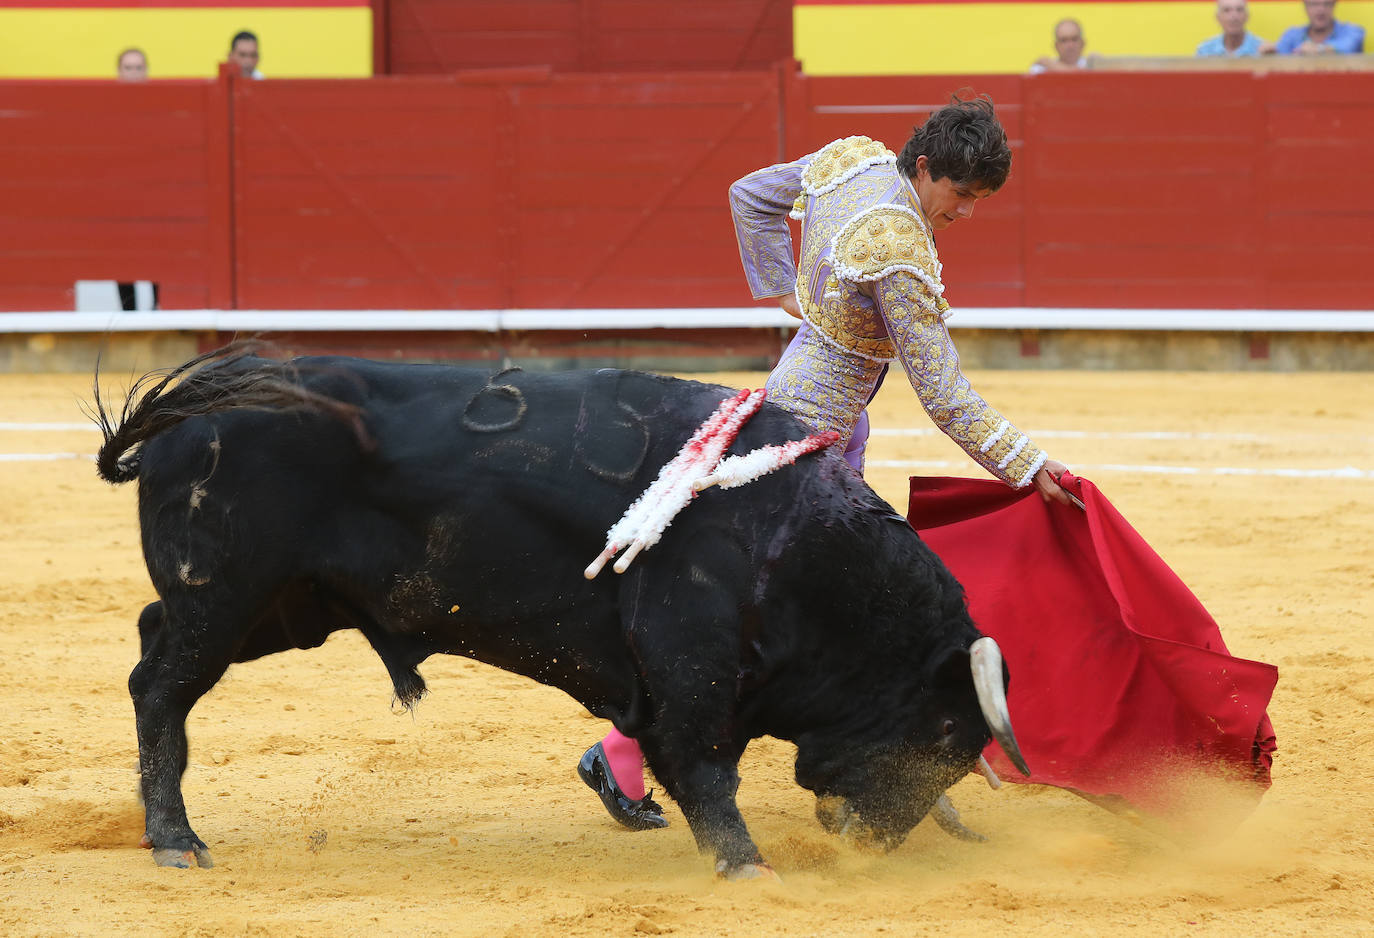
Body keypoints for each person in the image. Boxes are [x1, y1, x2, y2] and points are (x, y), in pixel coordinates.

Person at [577, 95, 1074, 831]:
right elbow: (943, 393)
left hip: (829, 428)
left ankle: (887, 762)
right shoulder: (897, 247)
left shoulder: (857, 161)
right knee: (765, 624)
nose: (965, 212)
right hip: (803, 451)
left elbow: (750, 196)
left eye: (980, 201)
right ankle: (620, 752)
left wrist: (789, 291)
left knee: (848, 610)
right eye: (960, 194)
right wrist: (1029, 465)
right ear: (928, 165)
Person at [1273, 0, 1365, 53]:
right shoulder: (1292, 35)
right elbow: (1278, 54)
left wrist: (1318, 49)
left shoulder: (1352, 31)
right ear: (1305, 6)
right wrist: (1269, 51)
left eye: (1327, 4)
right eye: (1314, 4)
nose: (1321, 10)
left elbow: (1347, 48)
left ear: (1334, 5)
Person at [1197, 0, 1268, 56]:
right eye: (1227, 10)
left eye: (1239, 10)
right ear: (1218, 17)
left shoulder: (1262, 51)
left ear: (1247, 16)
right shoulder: (1205, 51)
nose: (1234, 17)